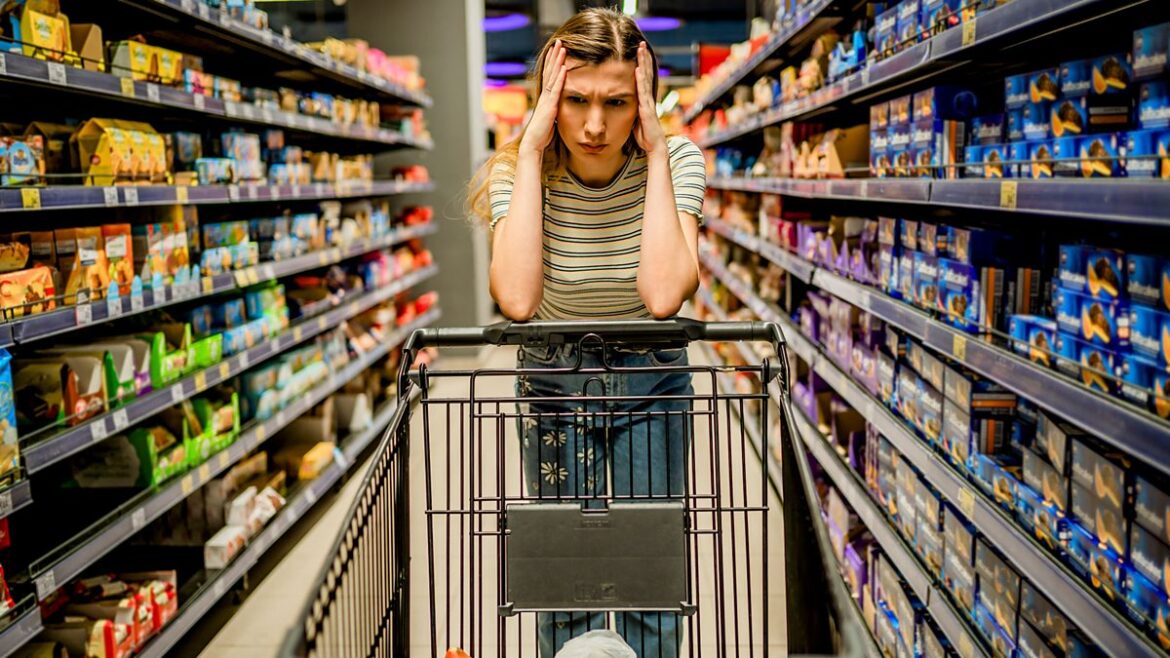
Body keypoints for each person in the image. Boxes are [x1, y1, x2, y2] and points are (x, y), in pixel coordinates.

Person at [468, 7, 706, 658]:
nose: (595, 124)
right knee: (563, 575)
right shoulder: (520, 169)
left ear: (644, 101)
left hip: (650, 379)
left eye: (618, 102)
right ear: (550, 98)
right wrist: (534, 143)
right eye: (575, 100)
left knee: (648, 575)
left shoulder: (678, 159)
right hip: (552, 384)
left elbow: (662, 295)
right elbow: (517, 298)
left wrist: (656, 150)